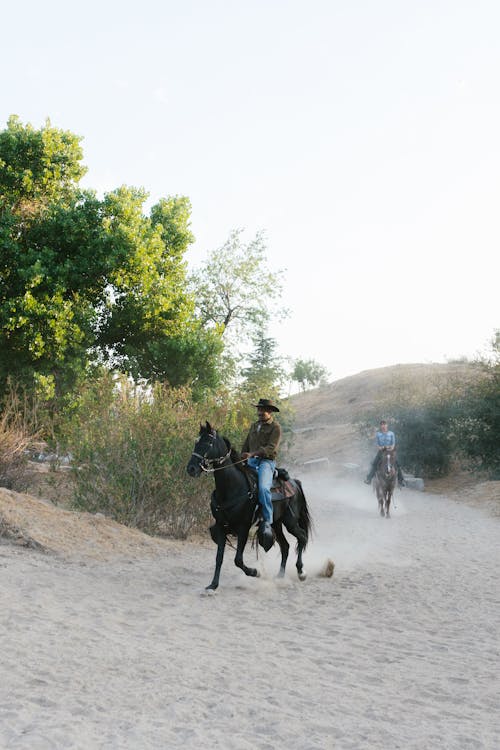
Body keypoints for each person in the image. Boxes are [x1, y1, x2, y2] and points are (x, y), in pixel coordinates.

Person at [241, 398, 282, 539]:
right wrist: (241, 457)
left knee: (264, 488)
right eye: (259, 409)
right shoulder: (254, 426)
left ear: (270, 411)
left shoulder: (275, 427)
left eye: (263, 409)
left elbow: (271, 448)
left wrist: (252, 454)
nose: (260, 412)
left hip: (266, 462)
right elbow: (246, 444)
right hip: (251, 461)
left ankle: (268, 521)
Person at [364, 419, 405, 487]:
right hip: (382, 451)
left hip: (390, 451)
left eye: (384, 424)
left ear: (387, 425)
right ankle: (369, 479)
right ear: (380, 426)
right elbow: (377, 444)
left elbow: (393, 443)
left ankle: (401, 481)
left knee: (397, 464)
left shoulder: (391, 433)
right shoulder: (378, 434)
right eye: (382, 425)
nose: (383, 426)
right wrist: (382, 448)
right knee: (374, 463)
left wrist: (390, 448)